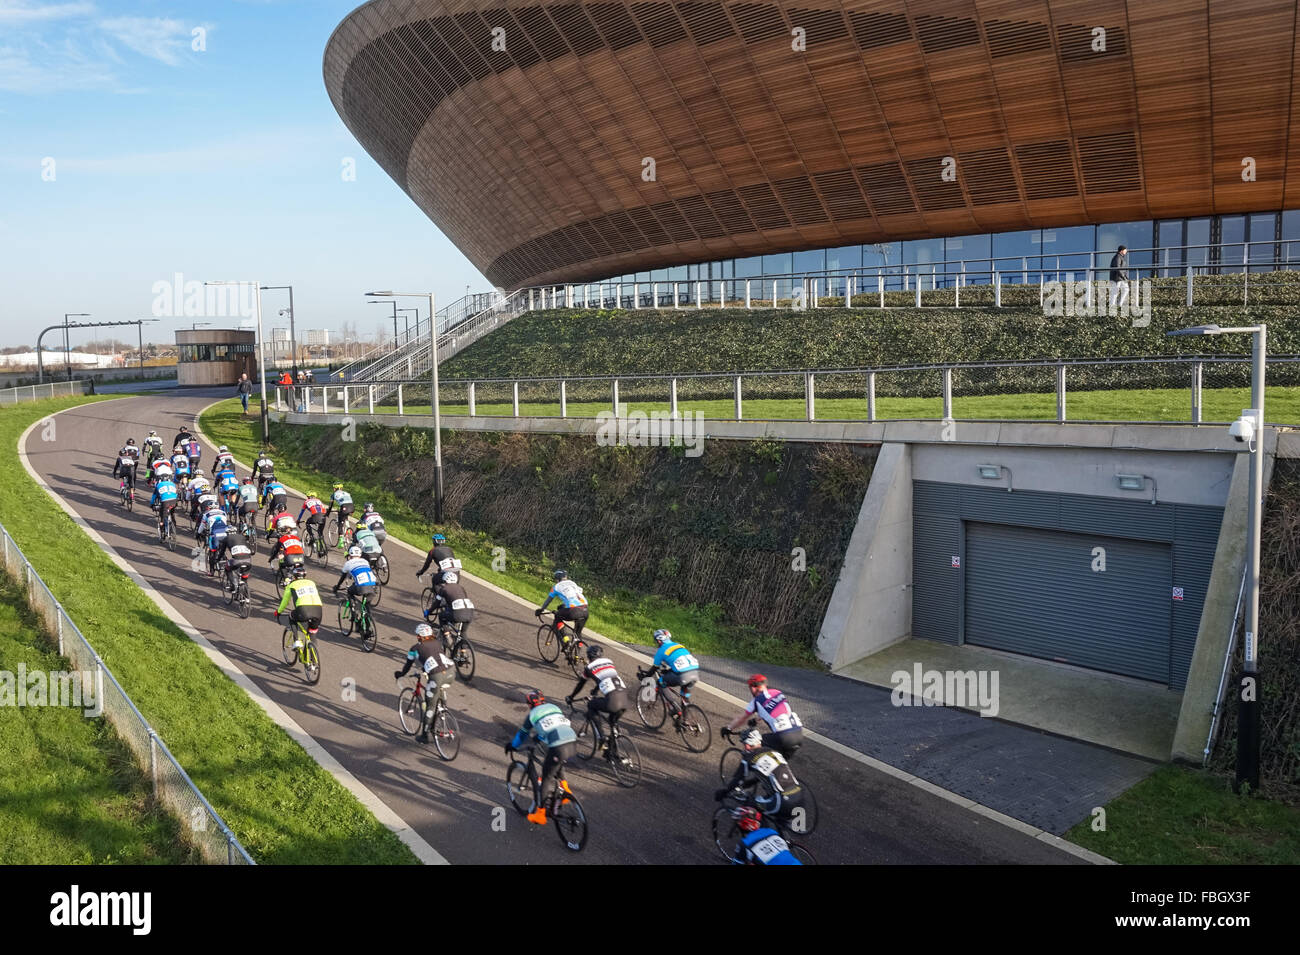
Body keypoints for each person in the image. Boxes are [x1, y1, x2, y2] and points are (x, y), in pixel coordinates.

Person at [506, 690, 577, 826]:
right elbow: (554, 726)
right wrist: (538, 737)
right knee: (556, 762)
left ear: (530, 704)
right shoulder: (554, 707)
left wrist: (513, 746)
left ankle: (540, 814)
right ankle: (565, 788)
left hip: (558, 745)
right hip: (572, 740)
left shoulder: (532, 714)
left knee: (546, 778)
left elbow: (522, 734)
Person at [714, 729, 805, 831]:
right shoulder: (773, 751)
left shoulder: (749, 757)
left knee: (751, 805)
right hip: (799, 795)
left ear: (747, 745)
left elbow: (737, 780)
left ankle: (764, 835)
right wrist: (747, 783)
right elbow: (766, 774)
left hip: (782, 802)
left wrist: (724, 792)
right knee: (777, 815)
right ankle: (784, 834)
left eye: (744, 744)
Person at [394, 624, 455, 743]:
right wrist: (424, 669)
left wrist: (400, 674)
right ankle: (443, 708)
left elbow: (408, 665)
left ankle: (425, 736)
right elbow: (436, 658)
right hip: (451, 672)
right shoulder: (438, 642)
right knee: (438, 691)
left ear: (419, 636)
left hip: (437, 676)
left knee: (430, 706)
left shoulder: (414, 649)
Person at [724, 674, 805, 759]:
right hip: (798, 734)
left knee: (752, 745)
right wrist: (756, 720)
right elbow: (773, 711)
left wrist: (728, 728)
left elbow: (741, 719)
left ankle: (744, 768)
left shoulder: (756, 701)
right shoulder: (777, 692)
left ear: (754, 687)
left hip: (783, 736)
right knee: (778, 765)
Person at [565, 643, 629, 736]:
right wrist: (595, 691)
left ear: (589, 656)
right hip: (625, 699)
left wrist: (571, 697)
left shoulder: (589, 668)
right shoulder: (609, 662)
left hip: (612, 701)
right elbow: (606, 677)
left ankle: (602, 736)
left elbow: (580, 684)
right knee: (612, 721)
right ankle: (612, 745)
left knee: (591, 705)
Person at [640, 628, 699, 700]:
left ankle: (672, 707)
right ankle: (685, 707)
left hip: (682, 676)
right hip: (695, 673)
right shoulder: (679, 645)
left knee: (660, 683)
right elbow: (681, 663)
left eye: (656, 641)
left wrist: (645, 677)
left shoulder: (661, 650)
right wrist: (668, 671)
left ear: (659, 640)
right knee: (684, 696)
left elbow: (654, 668)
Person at [535, 569, 588, 645]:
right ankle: (577, 655)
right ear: (565, 577)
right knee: (578, 633)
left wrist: (541, 610)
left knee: (557, 616)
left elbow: (548, 601)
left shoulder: (556, 587)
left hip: (573, 611)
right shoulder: (573, 583)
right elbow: (575, 595)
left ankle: (566, 641)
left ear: (558, 579)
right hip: (585, 609)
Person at [275, 566, 322, 645]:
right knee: (312, 633)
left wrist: (279, 612)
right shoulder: (312, 583)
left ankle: (296, 641)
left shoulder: (291, 585)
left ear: (294, 576)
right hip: (318, 610)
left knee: (291, 617)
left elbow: (285, 602)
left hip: (303, 610)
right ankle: (314, 653)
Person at [424, 570, 474, 638]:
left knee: (441, 616)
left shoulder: (444, 588)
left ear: (445, 580)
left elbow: (436, 603)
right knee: (463, 632)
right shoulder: (461, 588)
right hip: (470, 613)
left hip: (458, 613)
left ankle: (447, 635)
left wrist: (429, 611)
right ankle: (463, 648)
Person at [332, 544, 378, 614]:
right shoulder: (365, 561)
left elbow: (343, 577)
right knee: (366, 605)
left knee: (350, 591)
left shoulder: (348, 563)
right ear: (360, 555)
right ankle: (367, 619)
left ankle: (354, 611)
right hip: (373, 586)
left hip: (361, 587)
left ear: (350, 555)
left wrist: (337, 587)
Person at [216, 525, 253, 593]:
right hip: (248, 560)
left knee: (227, 568)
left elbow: (222, 552)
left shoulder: (226, 538)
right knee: (244, 577)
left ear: (227, 533)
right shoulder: (242, 537)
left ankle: (233, 587)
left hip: (236, 561)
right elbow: (251, 550)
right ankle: (246, 595)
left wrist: (218, 559)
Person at [1109, 244, 1130, 310]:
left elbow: (1123, 269)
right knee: (1115, 292)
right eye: (1125, 250)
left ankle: (1119, 304)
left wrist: (1125, 277)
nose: (1126, 251)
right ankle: (1112, 306)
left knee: (1126, 289)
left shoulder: (1121, 257)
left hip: (1121, 278)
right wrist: (1124, 276)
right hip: (1116, 278)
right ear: (1121, 251)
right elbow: (1117, 268)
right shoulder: (1117, 257)